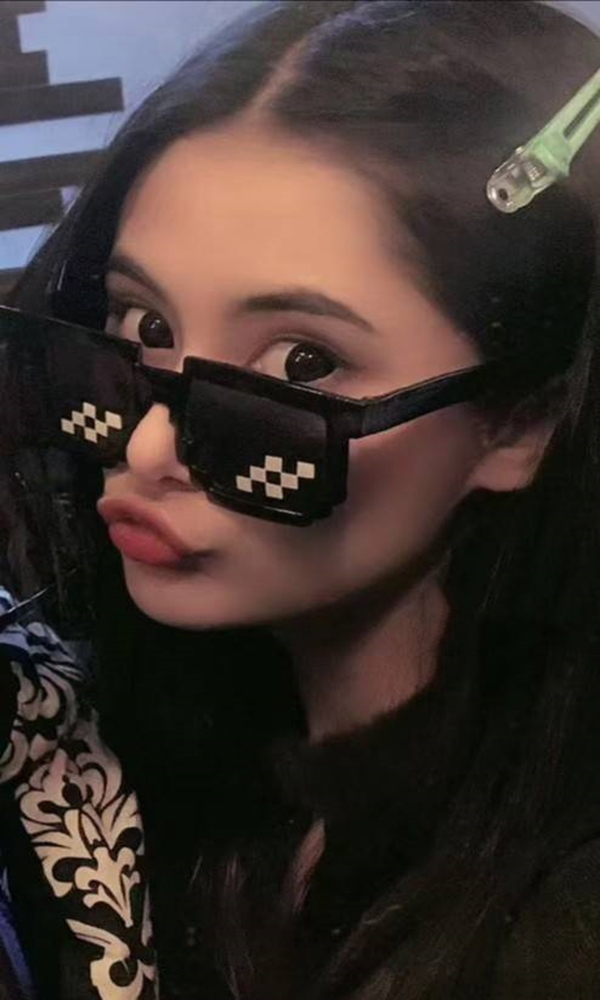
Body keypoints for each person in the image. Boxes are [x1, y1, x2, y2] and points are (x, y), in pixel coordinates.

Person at [4, 0, 600, 996]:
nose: (148, 447)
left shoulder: (561, 921)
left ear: (518, 424)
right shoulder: (119, 743)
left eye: (301, 364)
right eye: (145, 326)